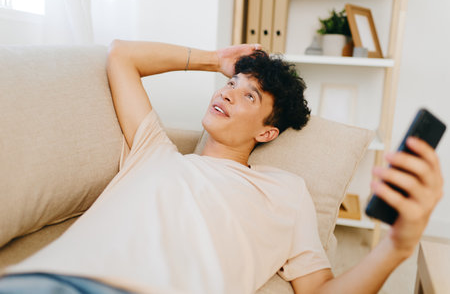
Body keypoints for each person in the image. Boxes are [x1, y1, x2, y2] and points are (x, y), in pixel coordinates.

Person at [0, 41, 444, 294]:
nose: (228, 92)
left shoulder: (286, 192)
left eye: (249, 95)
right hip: (41, 282)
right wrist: (214, 59)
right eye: (230, 84)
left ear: (267, 133)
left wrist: (398, 248)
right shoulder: (152, 149)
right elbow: (121, 57)